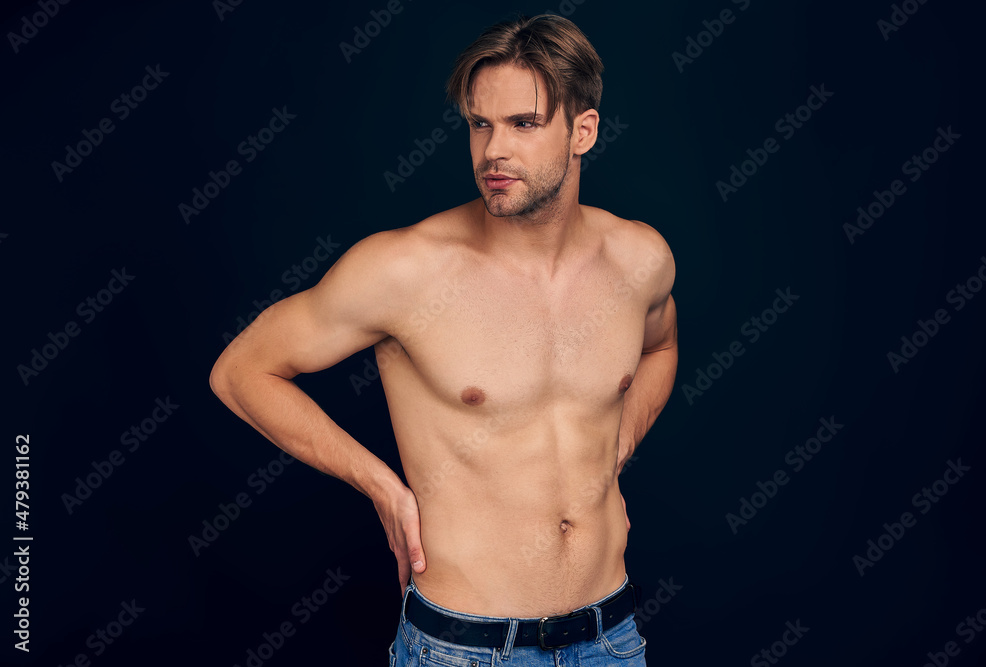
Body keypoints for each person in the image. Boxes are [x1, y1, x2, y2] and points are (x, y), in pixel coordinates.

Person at [210, 13, 677, 665]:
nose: (493, 152)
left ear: (583, 131)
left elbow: (660, 348)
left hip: (609, 635)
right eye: (479, 124)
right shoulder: (406, 270)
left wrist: (616, 448)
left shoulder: (639, 259)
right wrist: (381, 484)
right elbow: (241, 370)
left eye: (523, 123)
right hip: (465, 647)